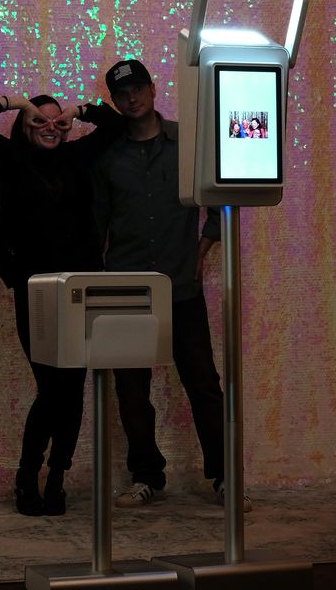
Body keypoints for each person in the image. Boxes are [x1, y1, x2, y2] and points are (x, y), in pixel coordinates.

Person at [91, 59, 251, 511]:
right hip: (126, 287)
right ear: (114, 100)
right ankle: (146, 477)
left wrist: (205, 246)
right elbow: (96, 221)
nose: (132, 98)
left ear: (154, 88)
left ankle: (225, 477)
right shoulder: (105, 155)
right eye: (122, 93)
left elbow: (222, 194)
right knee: (131, 390)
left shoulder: (190, 143)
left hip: (181, 285)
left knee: (204, 384)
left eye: (139, 88)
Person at [0, 90, 122, 516]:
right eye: (40, 122)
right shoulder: (9, 158)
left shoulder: (77, 157)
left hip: (80, 289)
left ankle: (57, 477)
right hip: (36, 292)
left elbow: (117, 125)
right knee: (52, 387)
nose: (50, 128)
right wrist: (18, 104)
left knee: (72, 389)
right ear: (25, 126)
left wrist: (79, 112)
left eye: (57, 123)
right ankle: (27, 473)